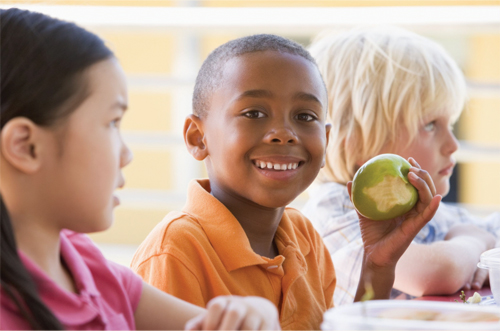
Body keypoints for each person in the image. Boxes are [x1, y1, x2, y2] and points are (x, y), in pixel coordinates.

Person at [130, 33, 441, 330]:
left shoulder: (304, 238)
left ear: (326, 138)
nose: (284, 132)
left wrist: (378, 264)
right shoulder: (176, 252)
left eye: (305, 116)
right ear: (198, 138)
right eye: (254, 113)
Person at [0, 8, 281, 330]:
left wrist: (254, 316)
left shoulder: (82, 264)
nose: (127, 154)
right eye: (111, 123)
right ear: (26, 146)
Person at [302, 26, 500, 306]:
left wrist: (482, 244)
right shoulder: (334, 214)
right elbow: (434, 272)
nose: (453, 144)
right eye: (430, 125)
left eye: (450, 124)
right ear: (360, 146)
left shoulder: (423, 207)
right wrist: (475, 243)